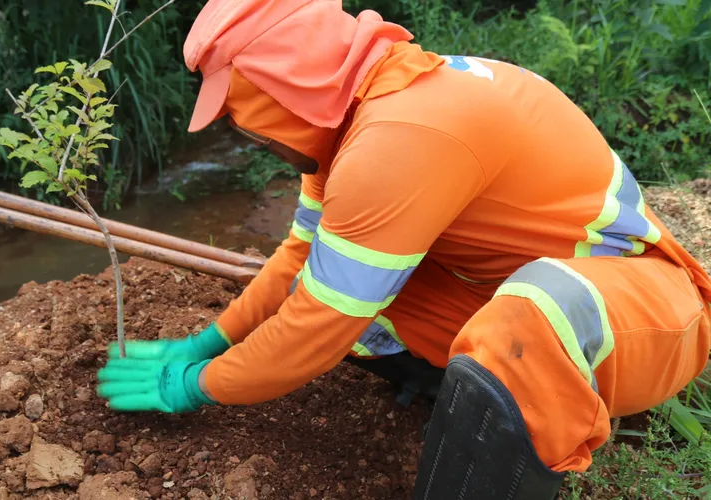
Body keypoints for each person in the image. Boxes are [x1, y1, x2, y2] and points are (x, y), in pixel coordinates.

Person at [94, 1, 711, 498]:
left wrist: (200, 385)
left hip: (638, 316)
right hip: (524, 296)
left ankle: (497, 455)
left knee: (523, 317)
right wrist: (212, 341)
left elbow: (316, 328)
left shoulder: (403, 137)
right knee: (355, 294)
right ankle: (473, 400)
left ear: (281, 100)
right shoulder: (355, 127)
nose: (248, 139)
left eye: (243, 118)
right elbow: (300, 262)